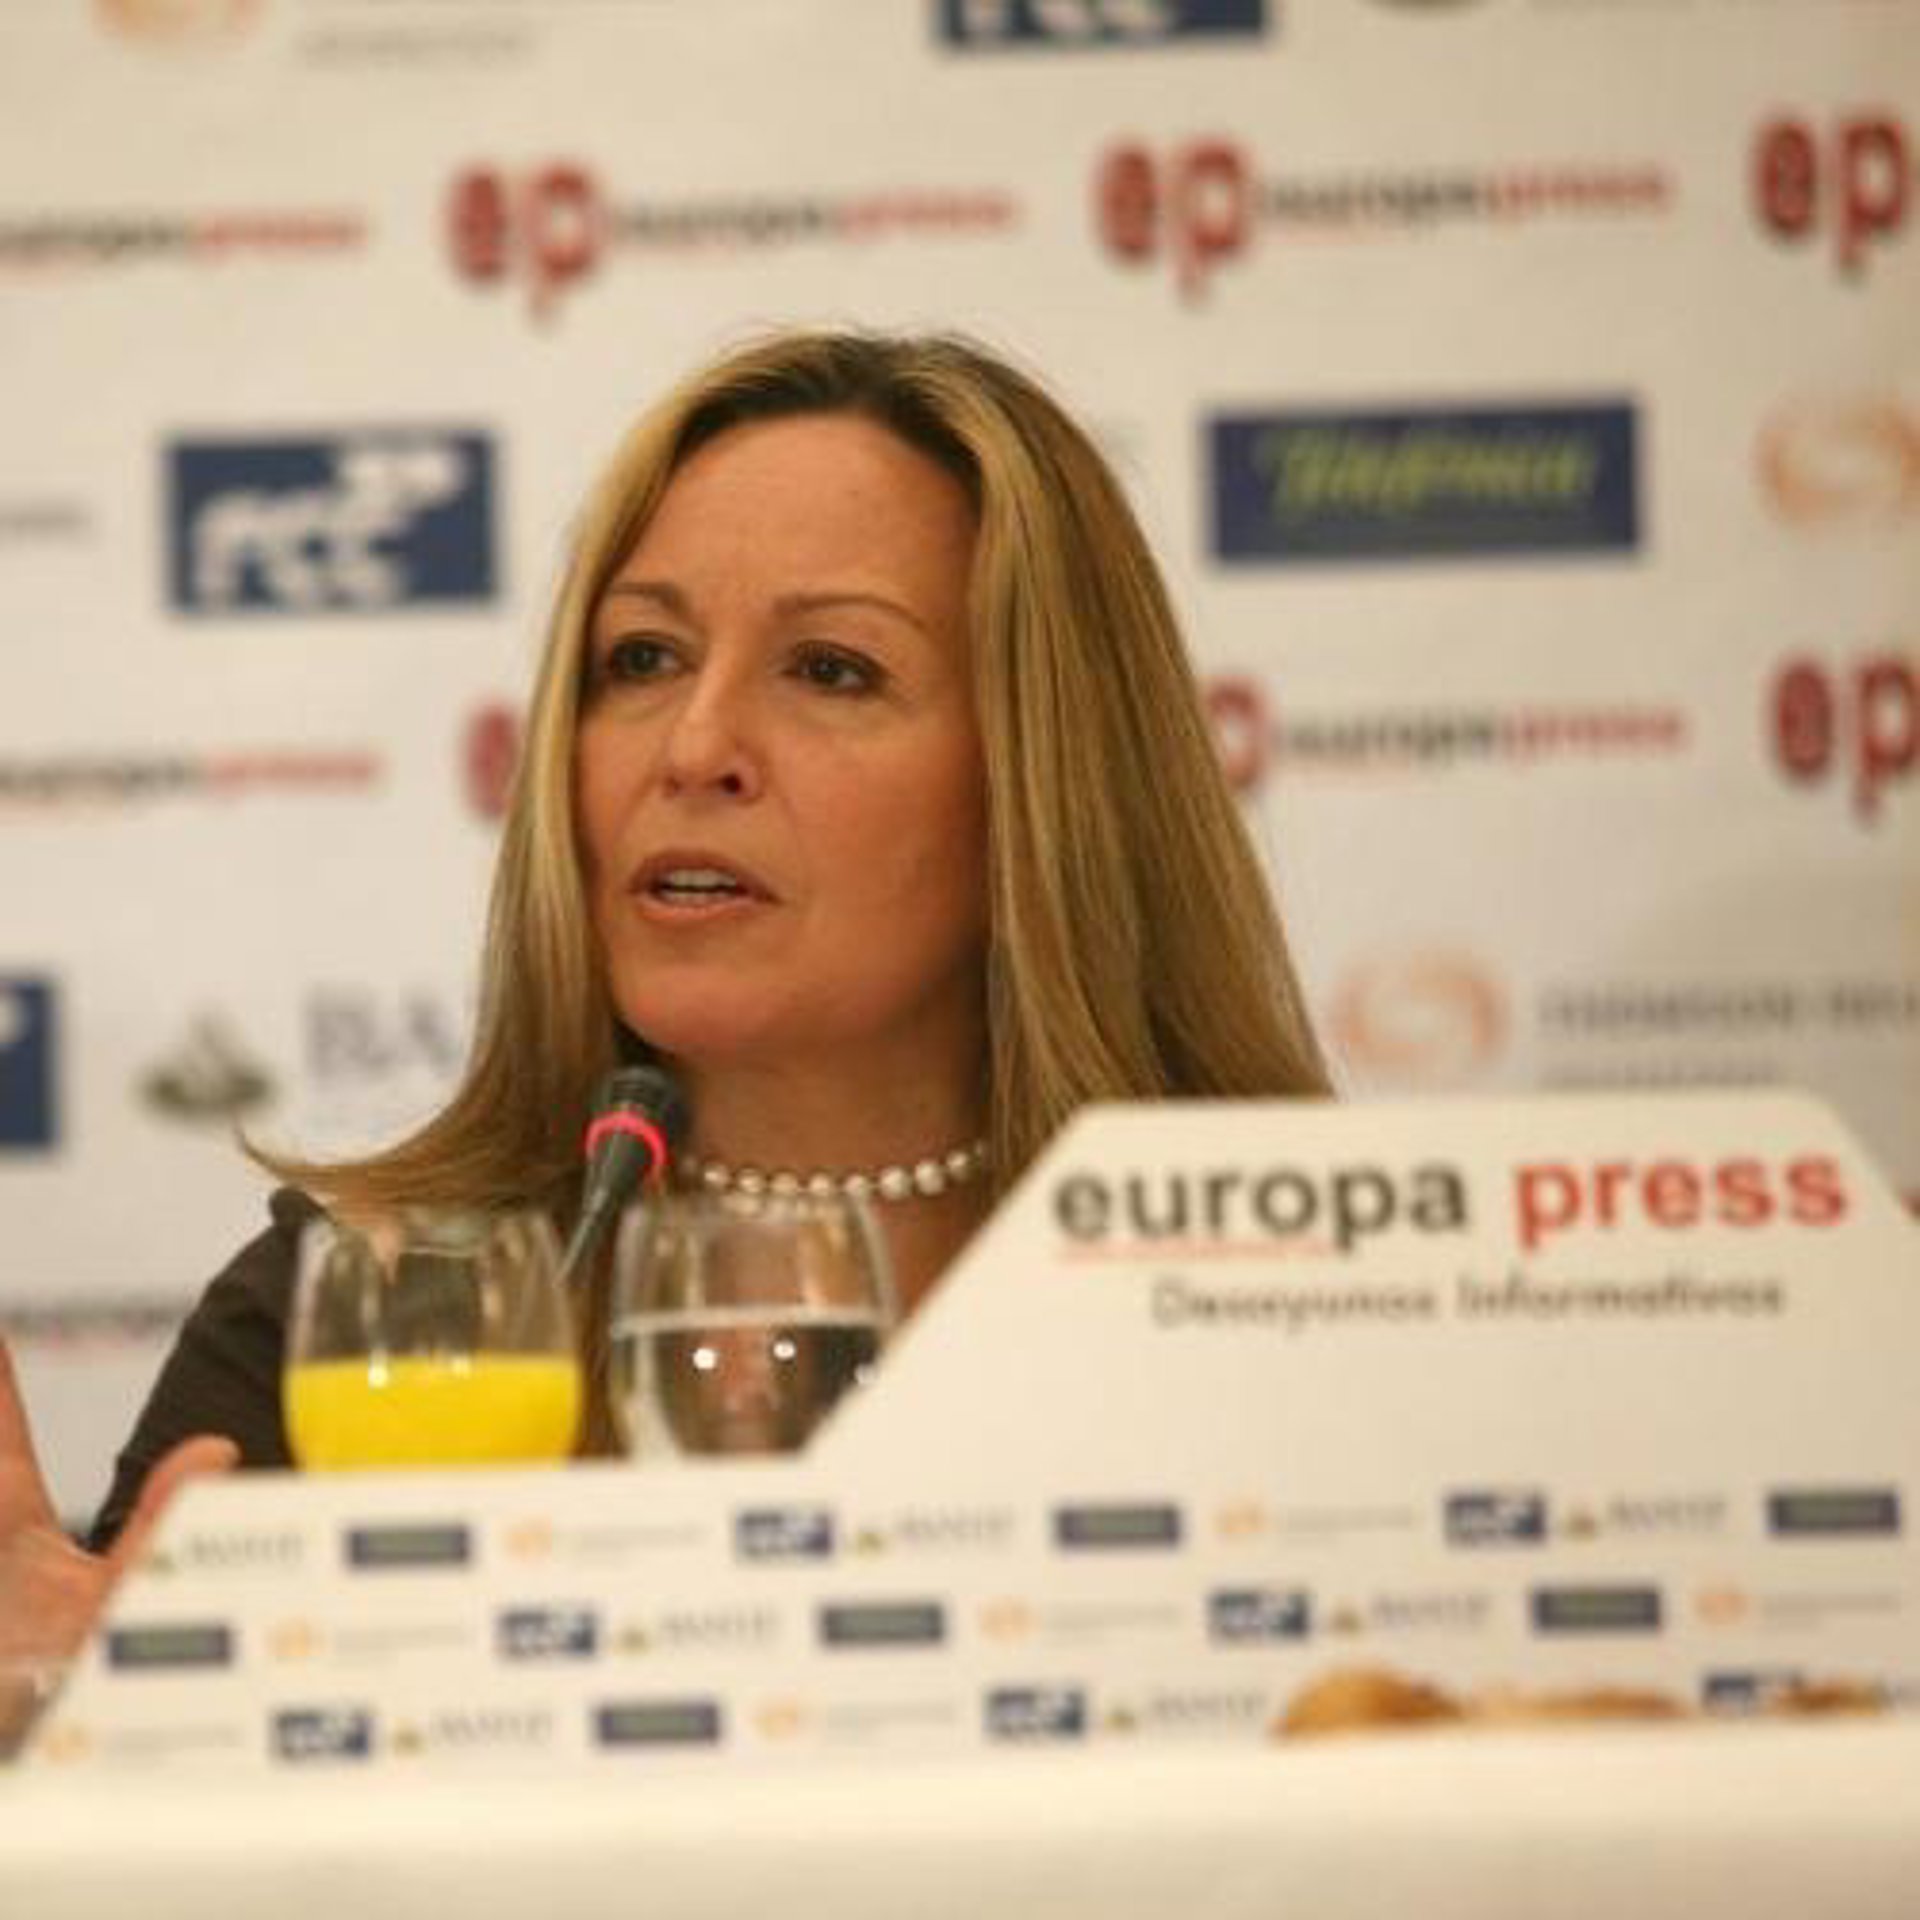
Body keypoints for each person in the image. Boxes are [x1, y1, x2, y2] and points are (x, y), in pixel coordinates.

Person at [0, 327, 1330, 1654]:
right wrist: (63, 1715)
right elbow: (159, 1765)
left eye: (832, 669)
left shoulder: (1297, 1294)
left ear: (1045, 779)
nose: (695, 748)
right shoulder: (370, 1313)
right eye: (642, 659)